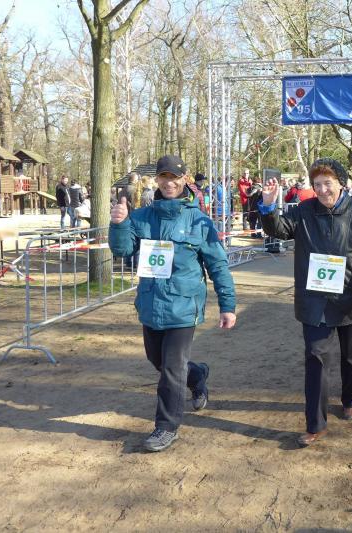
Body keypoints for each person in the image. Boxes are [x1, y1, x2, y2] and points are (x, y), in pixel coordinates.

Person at [109, 154, 237, 452]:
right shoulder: (142, 216)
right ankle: (198, 375)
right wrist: (119, 224)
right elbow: (123, 250)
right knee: (158, 360)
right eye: (164, 177)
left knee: (171, 368)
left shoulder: (199, 220)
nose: (169, 183)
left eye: (175, 177)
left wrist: (227, 305)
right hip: (151, 304)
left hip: (183, 305)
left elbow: (218, 265)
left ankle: (166, 427)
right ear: (157, 180)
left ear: (184, 179)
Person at [258, 158, 352, 447]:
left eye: (327, 183)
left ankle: (350, 399)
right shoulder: (304, 211)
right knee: (315, 359)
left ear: (341, 184)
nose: (322, 190)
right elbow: (278, 229)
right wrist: (268, 205)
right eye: (317, 184)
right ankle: (315, 424)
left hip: (351, 300)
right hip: (315, 301)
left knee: (351, 356)